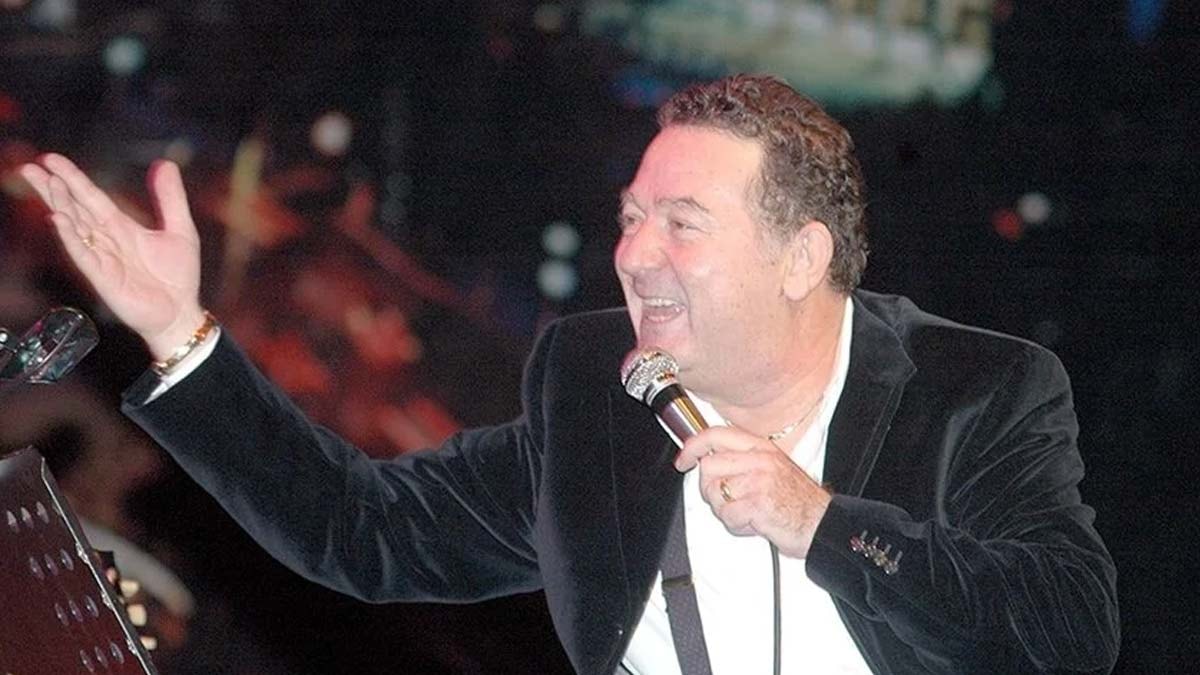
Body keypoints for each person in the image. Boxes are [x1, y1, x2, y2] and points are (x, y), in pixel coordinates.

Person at [19, 74, 1119, 674]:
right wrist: (178, 332)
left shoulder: (976, 391)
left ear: (800, 258)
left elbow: (1068, 631)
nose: (634, 254)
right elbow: (363, 532)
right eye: (631, 218)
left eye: (682, 223)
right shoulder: (596, 391)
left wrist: (821, 522)